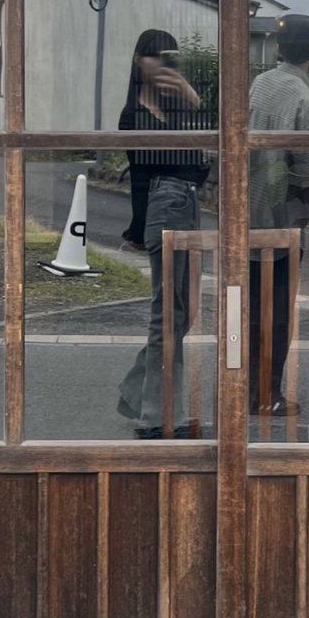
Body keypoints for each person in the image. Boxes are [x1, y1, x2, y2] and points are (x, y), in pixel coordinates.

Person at [117, 29, 210, 438]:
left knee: (183, 311)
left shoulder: (177, 106)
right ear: (139, 61)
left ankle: (137, 394)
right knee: (166, 315)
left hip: (186, 203)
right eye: (154, 56)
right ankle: (155, 417)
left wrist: (192, 99)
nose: (161, 63)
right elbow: (146, 174)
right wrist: (139, 227)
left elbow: (205, 152)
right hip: (165, 204)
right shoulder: (133, 113)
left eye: (168, 56)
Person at [248, 14, 309, 416]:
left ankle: (246, 388)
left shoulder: (259, 84)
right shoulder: (307, 102)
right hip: (283, 219)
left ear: (278, 48)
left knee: (249, 305)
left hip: (245, 210)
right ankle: (269, 394)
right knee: (278, 311)